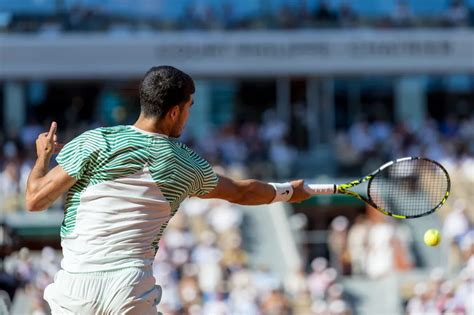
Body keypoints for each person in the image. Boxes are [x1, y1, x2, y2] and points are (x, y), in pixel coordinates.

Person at [25, 65, 311, 314]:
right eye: (189, 108)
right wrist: (288, 191)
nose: (187, 116)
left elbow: (35, 200)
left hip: (75, 287)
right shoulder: (187, 163)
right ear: (175, 112)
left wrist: (43, 156)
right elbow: (242, 192)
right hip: (129, 289)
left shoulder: (94, 141)